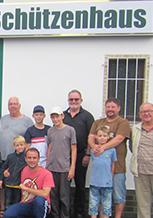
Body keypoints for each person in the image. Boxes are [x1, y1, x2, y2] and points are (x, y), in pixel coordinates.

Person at [87, 98, 130, 218]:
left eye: (113, 107)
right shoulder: (98, 122)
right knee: (101, 195)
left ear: (118, 108)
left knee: (118, 195)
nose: (110, 109)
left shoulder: (123, 122)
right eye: (108, 107)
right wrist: (93, 146)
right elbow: (91, 136)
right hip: (100, 170)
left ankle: (117, 216)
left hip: (117, 166)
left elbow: (119, 138)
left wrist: (102, 147)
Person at [62, 89, 94, 218]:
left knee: (80, 185)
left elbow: (91, 137)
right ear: (68, 100)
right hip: (65, 156)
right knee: (64, 186)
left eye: (76, 99)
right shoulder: (63, 116)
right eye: (71, 99)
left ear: (81, 101)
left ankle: (79, 212)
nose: (74, 102)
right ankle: (65, 211)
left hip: (81, 155)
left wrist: (88, 154)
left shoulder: (87, 116)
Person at [3, 148, 54, 218]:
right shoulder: (24, 169)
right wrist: (6, 173)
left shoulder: (46, 174)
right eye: (29, 158)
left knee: (39, 200)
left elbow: (45, 194)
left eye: (34, 158)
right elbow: (13, 170)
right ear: (25, 159)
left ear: (39, 159)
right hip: (25, 204)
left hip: (40, 205)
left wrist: (26, 188)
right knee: (8, 214)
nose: (32, 160)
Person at [46, 106, 76, 218]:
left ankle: (64, 216)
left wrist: (72, 167)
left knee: (64, 196)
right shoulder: (50, 131)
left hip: (64, 168)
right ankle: (55, 215)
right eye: (53, 117)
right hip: (51, 168)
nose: (55, 119)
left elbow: (74, 149)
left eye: (57, 116)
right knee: (53, 196)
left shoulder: (70, 130)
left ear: (62, 116)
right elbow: (49, 148)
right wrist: (48, 165)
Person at [88, 126, 117, 218]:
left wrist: (110, 178)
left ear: (108, 136)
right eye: (100, 136)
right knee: (93, 204)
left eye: (104, 136)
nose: (102, 138)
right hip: (94, 182)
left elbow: (112, 165)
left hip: (107, 183)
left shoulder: (112, 150)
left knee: (106, 205)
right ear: (96, 136)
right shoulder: (94, 150)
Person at [0, 97, 33, 161]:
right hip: (1, 159)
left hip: (18, 159)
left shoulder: (27, 121)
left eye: (15, 104)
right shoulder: (3, 119)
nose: (12, 106)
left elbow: (31, 142)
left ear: (19, 106)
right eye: (10, 104)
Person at [0, 136, 27, 209]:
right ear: (14, 146)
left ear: (25, 145)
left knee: (17, 203)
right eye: (17, 145)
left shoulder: (26, 157)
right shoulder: (10, 157)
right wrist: (1, 179)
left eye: (21, 145)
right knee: (7, 202)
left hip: (19, 185)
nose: (20, 147)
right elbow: (3, 168)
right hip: (8, 184)